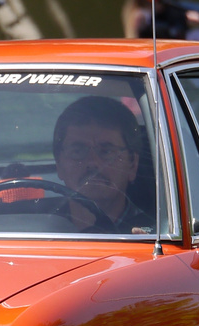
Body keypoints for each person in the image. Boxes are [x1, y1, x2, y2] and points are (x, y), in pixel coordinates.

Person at [52, 97, 154, 232]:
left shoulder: (158, 236)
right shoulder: (29, 230)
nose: (93, 162)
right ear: (59, 164)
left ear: (132, 164)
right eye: (77, 151)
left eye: (106, 152)